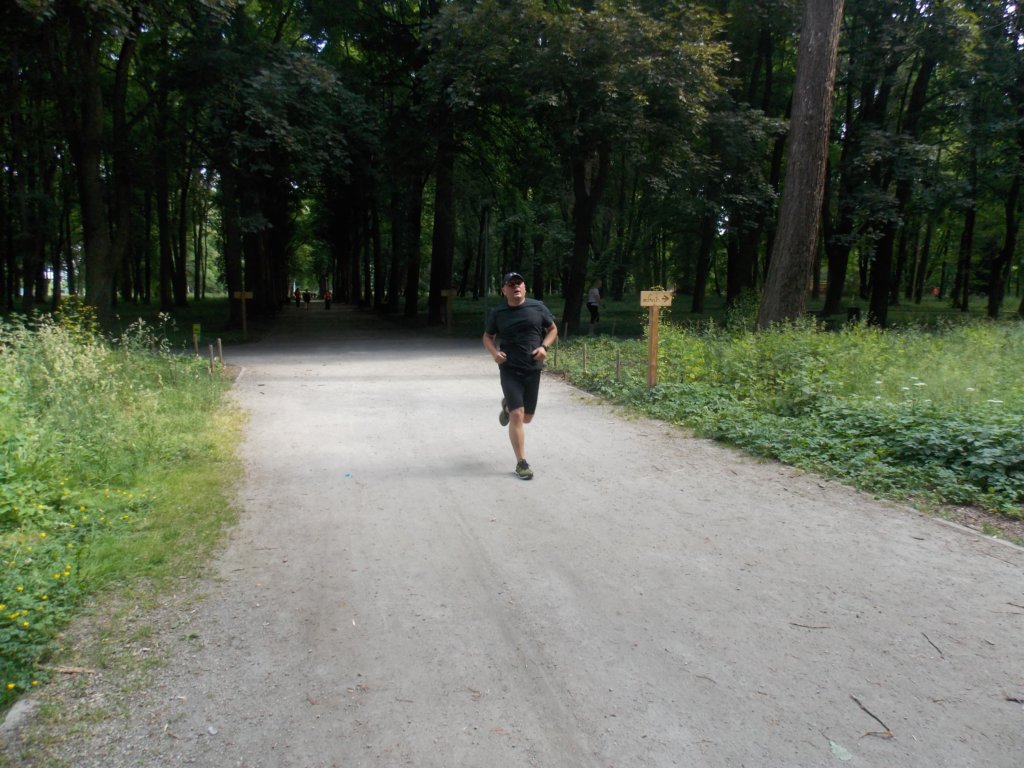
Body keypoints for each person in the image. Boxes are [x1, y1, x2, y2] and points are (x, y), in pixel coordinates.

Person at [482, 271, 558, 480]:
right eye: (511, 284)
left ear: (524, 287)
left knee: (527, 418)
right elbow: (487, 336)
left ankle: (507, 407)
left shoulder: (538, 307)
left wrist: (544, 347)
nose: (516, 286)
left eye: (519, 283)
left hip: (532, 368)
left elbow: (552, 329)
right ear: (504, 290)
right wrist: (495, 354)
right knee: (518, 415)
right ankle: (521, 463)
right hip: (509, 368)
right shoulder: (499, 312)